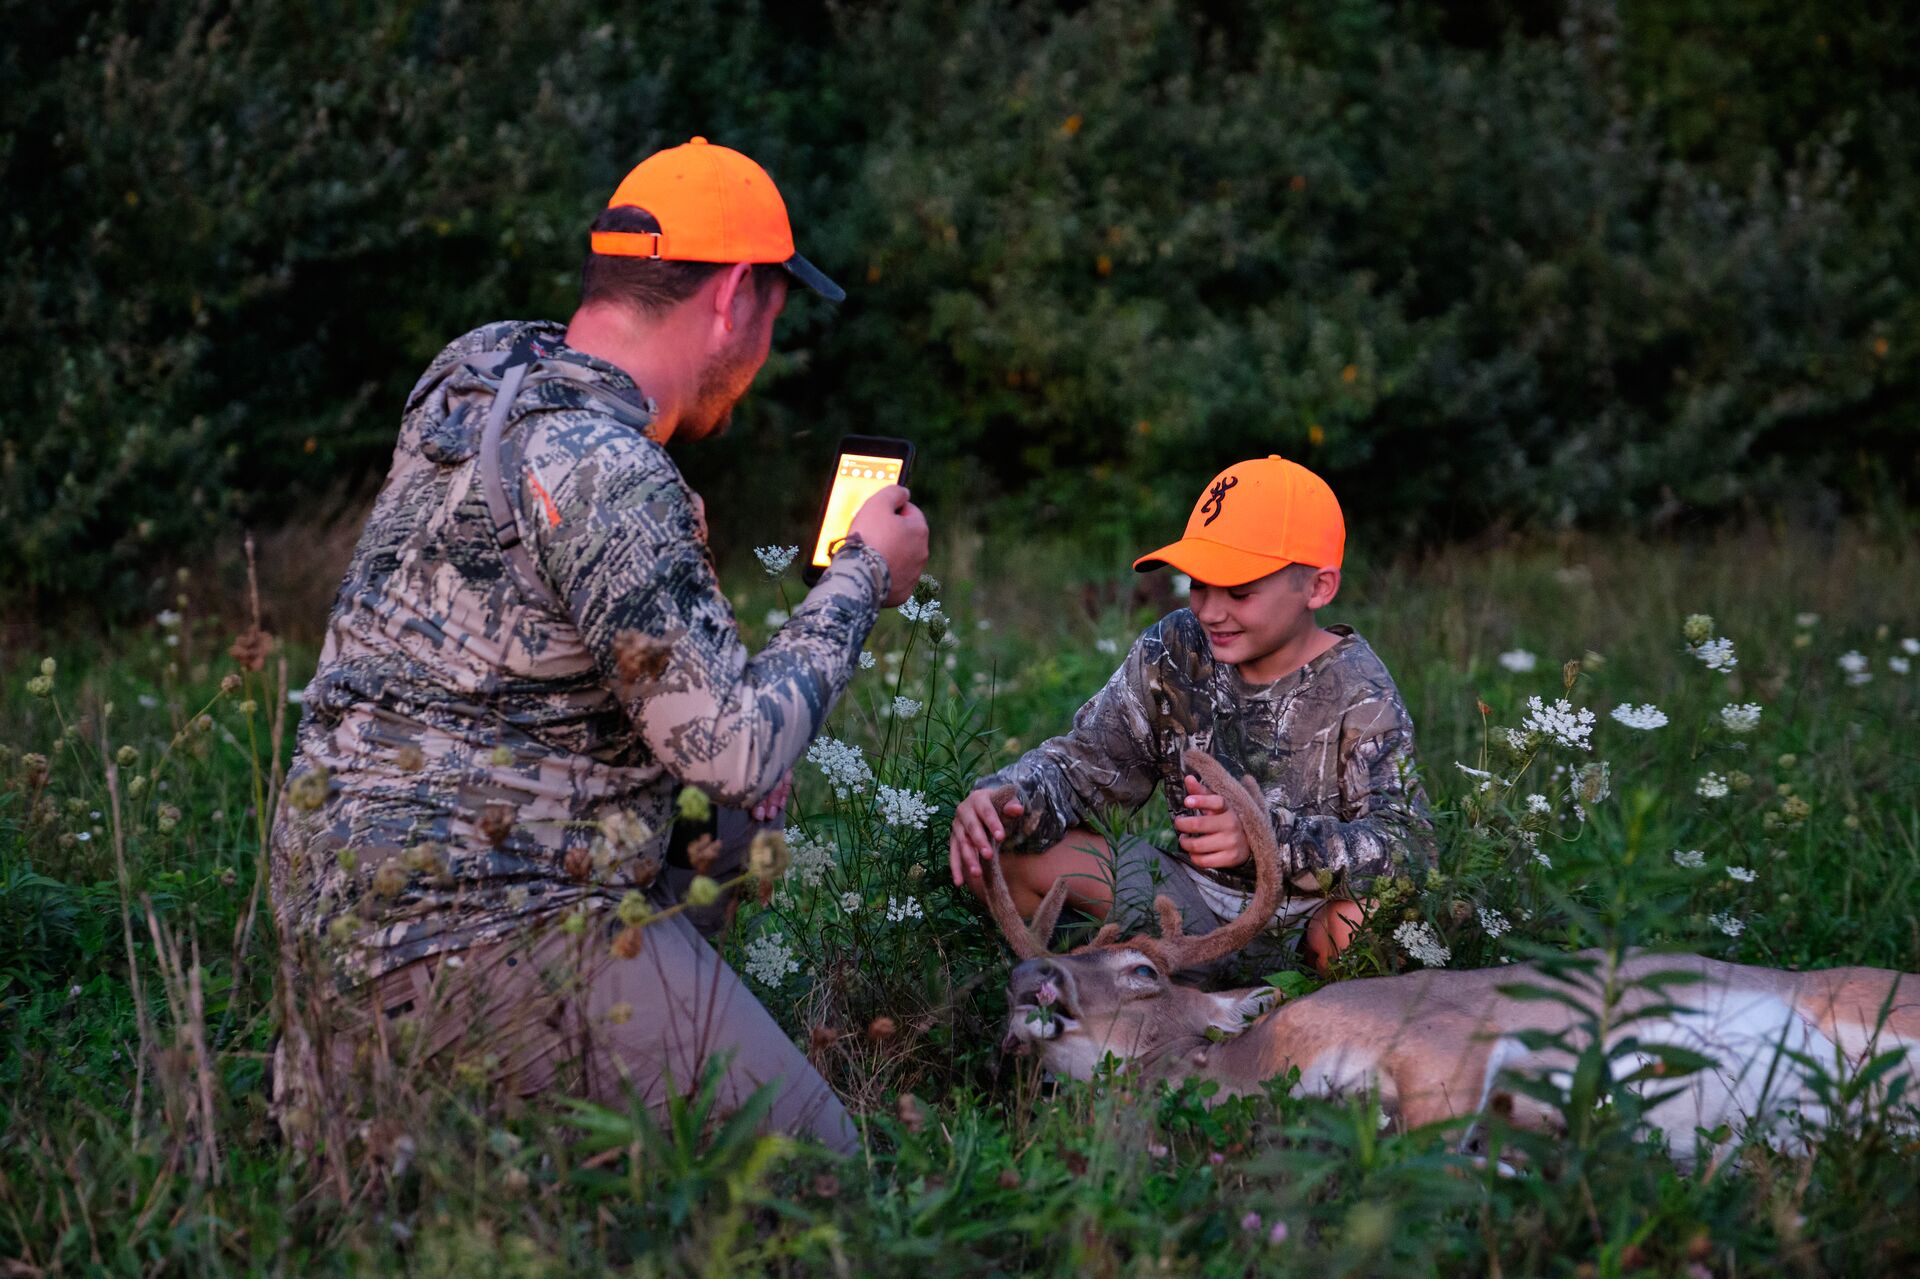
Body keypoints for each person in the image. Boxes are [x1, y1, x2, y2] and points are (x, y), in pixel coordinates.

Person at [269, 137, 928, 1153]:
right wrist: (864, 575)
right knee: (816, 1173)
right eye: (774, 316)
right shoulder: (605, 465)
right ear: (737, 295)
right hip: (474, 924)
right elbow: (739, 747)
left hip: (338, 907)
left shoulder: (478, 379)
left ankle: (555, 1100)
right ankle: (543, 1112)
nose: (763, 352)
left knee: (729, 830)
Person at [948, 456, 1429, 977]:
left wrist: (1264, 841)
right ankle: (1109, 1005)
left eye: (1240, 591)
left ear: (1317, 588)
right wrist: (1007, 799)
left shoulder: (1361, 691)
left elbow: (1409, 849)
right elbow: (1087, 764)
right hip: (1187, 905)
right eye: (1199, 584)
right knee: (999, 855)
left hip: (1304, 925)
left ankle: (1286, 1029)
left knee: (1365, 921)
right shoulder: (1175, 648)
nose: (1210, 610)